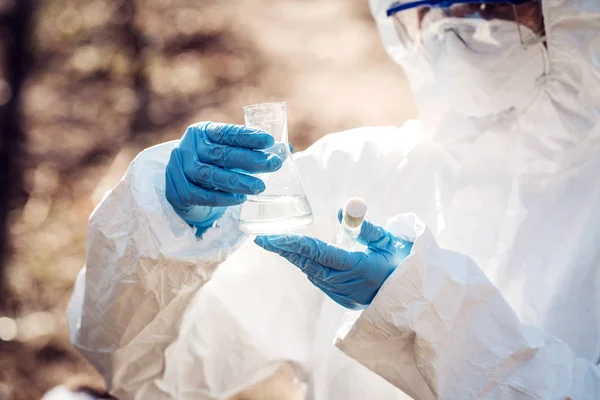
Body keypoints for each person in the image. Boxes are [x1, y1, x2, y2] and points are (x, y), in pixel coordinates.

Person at [67, 0, 600, 398]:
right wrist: (166, 230)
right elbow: (156, 374)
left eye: (490, 5)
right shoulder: (354, 172)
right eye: (432, 6)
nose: (455, 24)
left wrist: (428, 319)